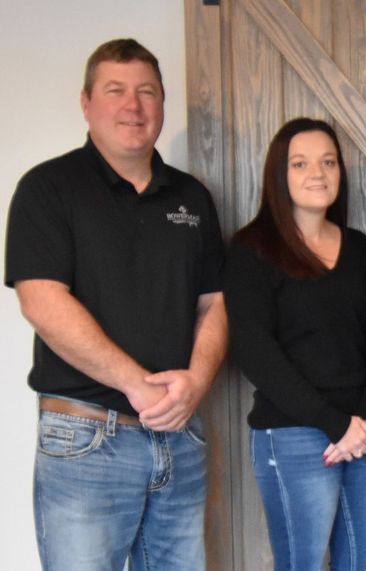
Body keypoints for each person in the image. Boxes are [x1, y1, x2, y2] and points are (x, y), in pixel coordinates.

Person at [4, 39, 227, 569]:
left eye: (147, 91)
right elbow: (41, 301)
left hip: (180, 434)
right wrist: (136, 384)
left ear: (162, 103)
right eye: (116, 91)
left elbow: (214, 303)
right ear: (86, 103)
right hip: (86, 439)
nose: (134, 106)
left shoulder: (191, 198)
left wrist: (196, 381)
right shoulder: (47, 188)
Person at [223, 118, 366, 570]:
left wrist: (363, 422)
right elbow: (255, 352)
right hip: (294, 434)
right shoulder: (252, 249)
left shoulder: (358, 249)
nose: (318, 173)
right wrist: (331, 422)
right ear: (280, 175)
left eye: (328, 162)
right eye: (301, 163)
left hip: (360, 435)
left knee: (363, 565)